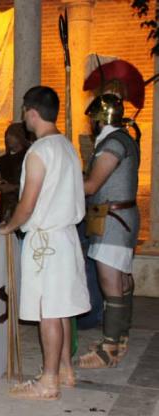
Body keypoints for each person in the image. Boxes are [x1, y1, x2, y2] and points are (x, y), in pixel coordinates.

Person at [0, 86, 90, 400]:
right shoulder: (66, 146)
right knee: (61, 308)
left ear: (32, 112)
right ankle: (65, 370)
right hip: (66, 237)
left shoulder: (39, 152)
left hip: (46, 242)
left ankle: (48, 382)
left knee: (48, 311)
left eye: (25, 111)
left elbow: (28, 204)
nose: (24, 117)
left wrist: (9, 227)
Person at [78, 94, 140, 369]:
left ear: (100, 119)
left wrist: (63, 178)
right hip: (117, 218)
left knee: (111, 280)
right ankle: (119, 339)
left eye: (92, 119)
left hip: (113, 220)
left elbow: (91, 186)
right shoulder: (121, 139)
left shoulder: (113, 143)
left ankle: (109, 349)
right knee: (121, 280)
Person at [0, 122, 34, 225]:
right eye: (7, 135)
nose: (8, 138)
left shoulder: (30, 157)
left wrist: (13, 187)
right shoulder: (2, 160)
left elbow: (35, 185)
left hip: (24, 206)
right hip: (5, 207)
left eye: (12, 135)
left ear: (20, 137)